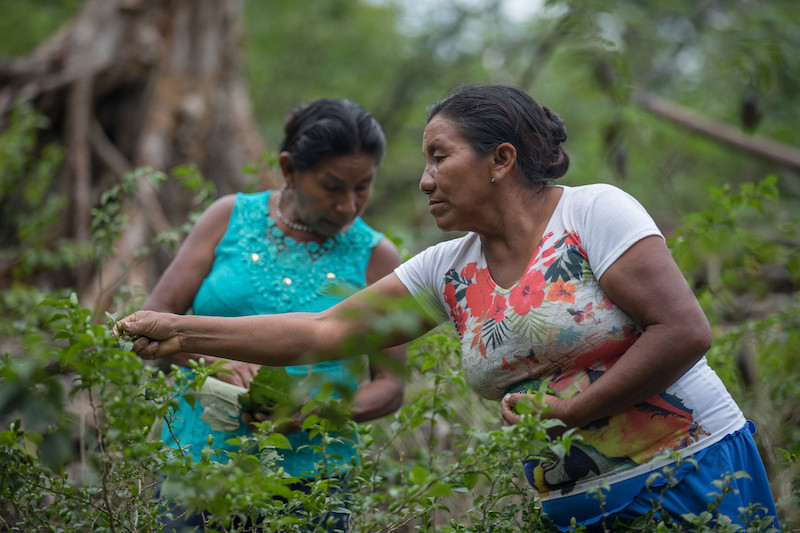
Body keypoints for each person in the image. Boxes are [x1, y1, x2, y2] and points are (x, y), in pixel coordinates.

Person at [119, 85, 781, 531]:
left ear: (500, 160)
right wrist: (180, 330)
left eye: (439, 156)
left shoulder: (592, 212)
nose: (426, 178)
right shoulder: (445, 269)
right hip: (575, 505)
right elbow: (321, 331)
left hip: (693, 472)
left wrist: (575, 411)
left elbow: (684, 328)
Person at [142, 98, 406, 531]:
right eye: (332, 186)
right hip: (198, 466)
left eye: (363, 187)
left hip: (313, 480)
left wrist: (318, 413)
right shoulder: (228, 218)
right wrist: (212, 361)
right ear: (289, 170)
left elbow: (390, 387)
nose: (348, 205)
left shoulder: (377, 257)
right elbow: (153, 322)